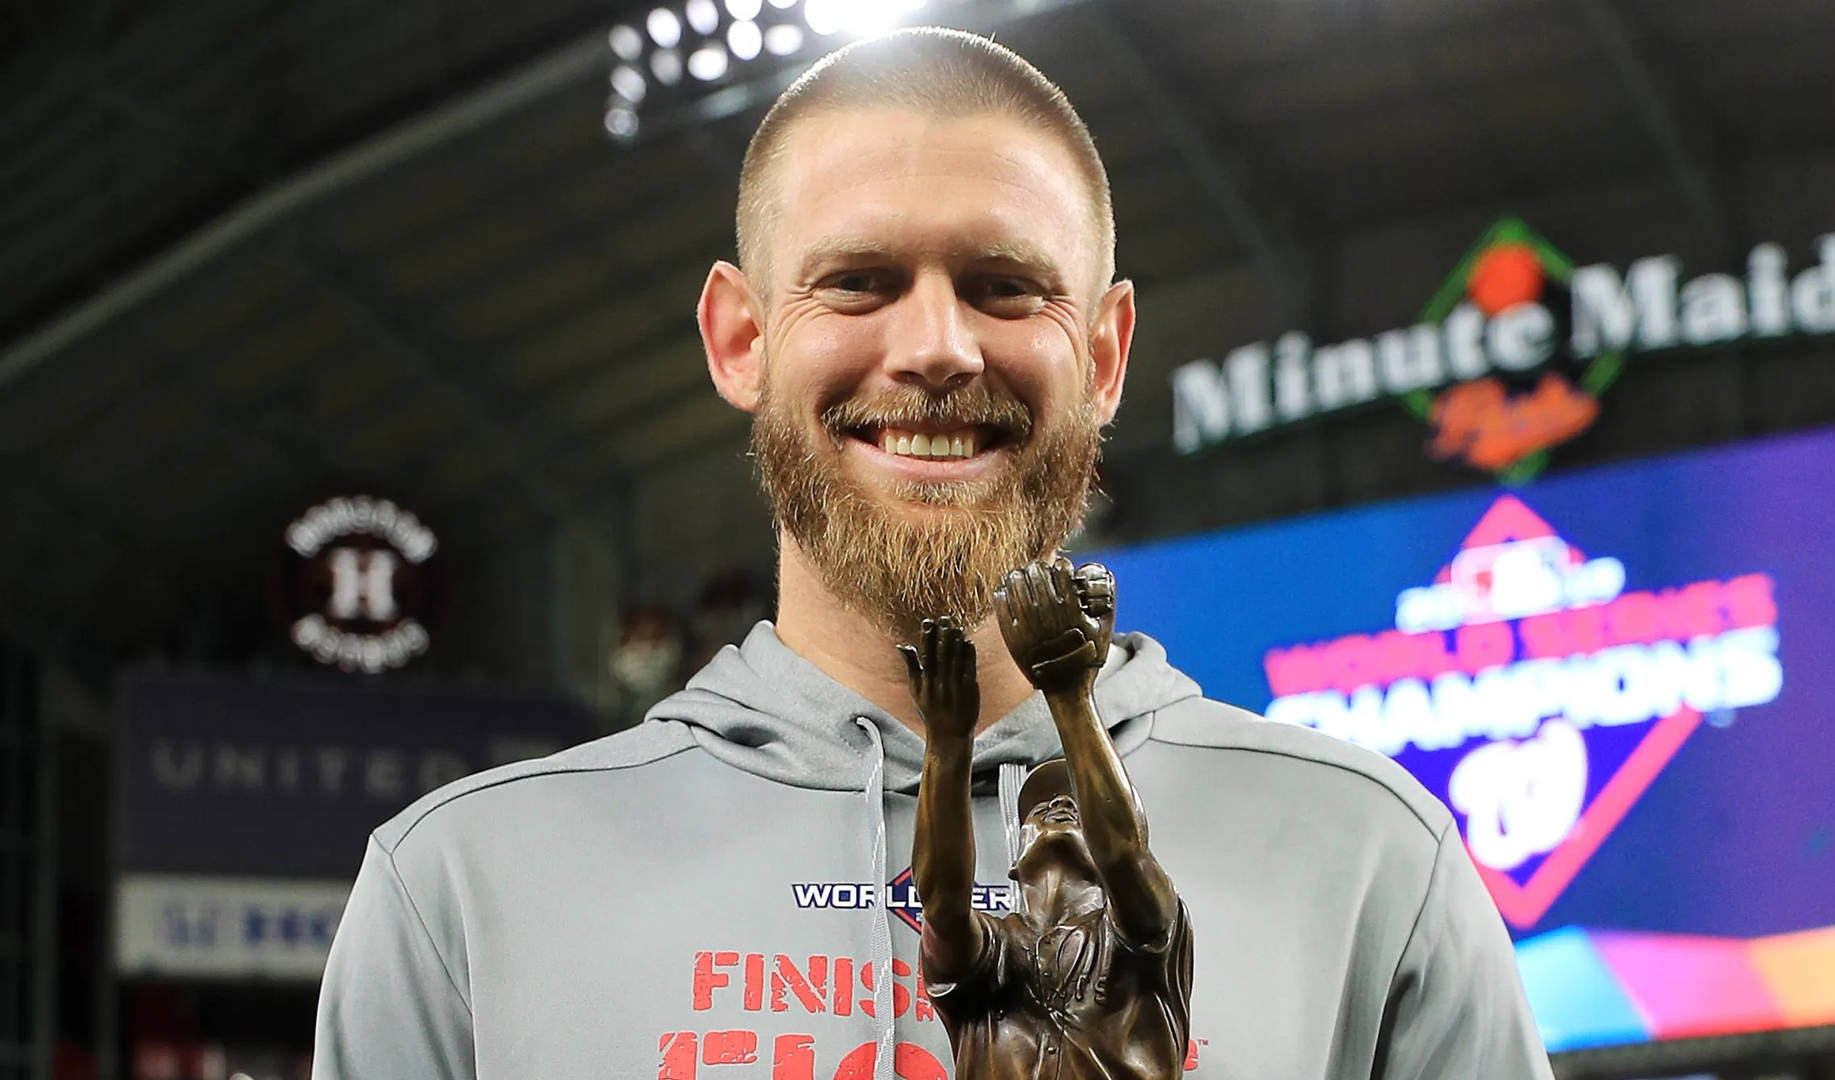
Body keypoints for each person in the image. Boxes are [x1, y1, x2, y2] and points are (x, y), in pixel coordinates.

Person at [313, 26, 1551, 1080]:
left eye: (1006, 286)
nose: (939, 348)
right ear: (740, 337)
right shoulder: (465, 896)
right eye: (857, 281)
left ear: (1107, 354)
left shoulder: (1368, 865)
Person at [903, 563, 1192, 1080]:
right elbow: (942, 902)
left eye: (1078, 808)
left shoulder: (1143, 937)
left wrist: (1070, 694)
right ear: (1015, 860)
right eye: (1039, 810)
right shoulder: (995, 953)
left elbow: (1126, 853)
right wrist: (947, 746)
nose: (1059, 808)